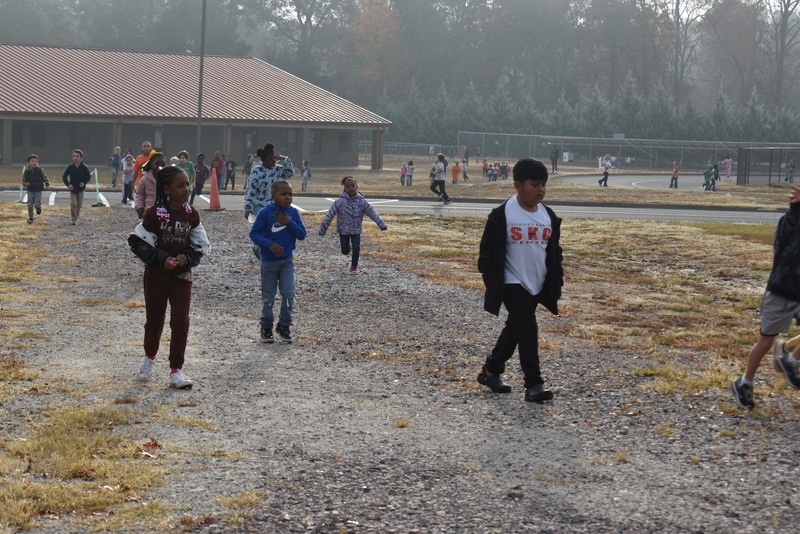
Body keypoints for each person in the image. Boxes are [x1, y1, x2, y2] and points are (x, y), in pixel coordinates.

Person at [476, 158, 563, 403]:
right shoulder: (502, 215)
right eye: (534, 185)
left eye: (544, 185)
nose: (541, 190)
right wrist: (494, 282)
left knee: (515, 328)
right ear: (517, 185)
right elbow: (487, 254)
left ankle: (490, 370)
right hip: (512, 282)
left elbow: (554, 251)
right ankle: (533, 384)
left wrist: (557, 278)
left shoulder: (548, 216)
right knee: (527, 329)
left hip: (538, 283)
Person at [128, 165, 210, 389]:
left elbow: (200, 246)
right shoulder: (153, 214)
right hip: (156, 274)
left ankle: (176, 370)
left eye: (187, 184)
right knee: (155, 319)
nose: (186, 189)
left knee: (180, 321)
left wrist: (185, 258)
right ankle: (149, 358)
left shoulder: (191, 214)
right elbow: (137, 243)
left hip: (181, 276)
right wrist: (161, 258)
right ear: (167, 189)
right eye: (180, 185)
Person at [732, 185, 800, 409]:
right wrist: (796, 206)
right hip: (780, 291)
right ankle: (744, 382)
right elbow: (792, 219)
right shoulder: (788, 224)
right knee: (765, 341)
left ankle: (789, 360)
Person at [250, 180, 306, 344]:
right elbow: (254, 234)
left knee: (288, 293)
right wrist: (269, 244)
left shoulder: (294, 213)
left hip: (287, 261)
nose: (288, 197)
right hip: (269, 262)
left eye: (290, 194)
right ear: (274, 196)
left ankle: (284, 325)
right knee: (268, 296)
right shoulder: (265, 213)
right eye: (283, 194)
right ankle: (266, 326)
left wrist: (288, 222)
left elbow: (302, 235)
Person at [318, 176, 388, 275]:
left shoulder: (362, 202)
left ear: (357, 187)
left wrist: (381, 224)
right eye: (348, 186)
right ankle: (347, 249)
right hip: (343, 230)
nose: (350, 188)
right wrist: (323, 229)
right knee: (345, 251)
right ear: (344, 188)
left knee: (357, 248)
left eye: (352, 186)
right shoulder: (340, 202)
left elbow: (372, 212)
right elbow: (330, 215)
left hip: (356, 230)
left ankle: (354, 267)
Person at [244, 142, 295, 223]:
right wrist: (248, 208)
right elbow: (251, 191)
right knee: (264, 229)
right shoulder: (257, 172)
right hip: (260, 207)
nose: (274, 160)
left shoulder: (278, 170)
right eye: (271, 158)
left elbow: (290, 172)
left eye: (274, 158)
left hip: (276, 206)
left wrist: (283, 159)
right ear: (263, 159)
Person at [62, 149, 92, 225]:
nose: (75, 158)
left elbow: (88, 176)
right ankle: (73, 219)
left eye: (77, 156)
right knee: (73, 204)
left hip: (81, 189)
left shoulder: (84, 167)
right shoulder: (70, 167)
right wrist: (68, 184)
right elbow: (64, 176)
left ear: (81, 158)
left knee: (79, 205)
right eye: (73, 156)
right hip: (73, 188)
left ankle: (76, 216)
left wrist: (84, 183)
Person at [135, 151, 166, 219]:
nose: (159, 167)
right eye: (157, 164)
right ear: (152, 164)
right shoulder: (145, 179)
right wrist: (140, 207)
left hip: (164, 213)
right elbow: (140, 194)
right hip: (149, 212)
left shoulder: (168, 180)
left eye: (162, 165)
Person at [22, 154, 49, 224]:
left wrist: (47, 184)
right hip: (30, 190)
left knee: (36, 204)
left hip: (38, 190)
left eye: (36, 161)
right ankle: (30, 218)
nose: (35, 163)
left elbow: (45, 177)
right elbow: (23, 181)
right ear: (28, 163)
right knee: (30, 205)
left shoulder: (40, 170)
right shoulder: (26, 171)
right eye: (33, 161)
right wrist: (25, 184)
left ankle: (38, 208)